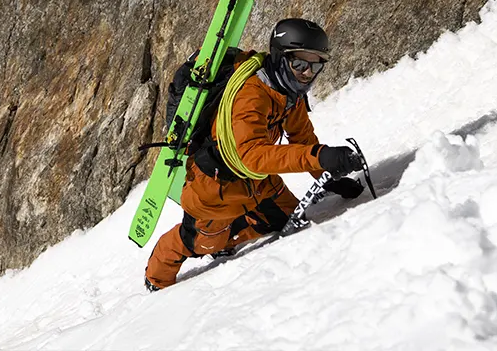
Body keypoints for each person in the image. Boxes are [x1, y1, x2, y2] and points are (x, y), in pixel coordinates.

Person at [143, 18, 364, 291]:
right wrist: (319, 157)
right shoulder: (251, 94)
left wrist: (327, 175)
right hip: (215, 188)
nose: (306, 73)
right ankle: (156, 278)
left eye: (315, 65)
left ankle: (229, 233)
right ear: (281, 57)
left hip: (259, 182)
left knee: (285, 219)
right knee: (198, 243)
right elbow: (250, 155)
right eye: (299, 64)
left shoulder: (288, 90)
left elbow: (302, 138)